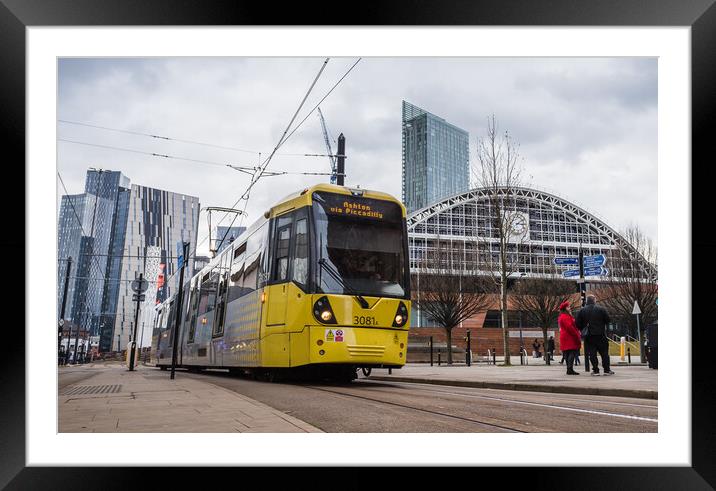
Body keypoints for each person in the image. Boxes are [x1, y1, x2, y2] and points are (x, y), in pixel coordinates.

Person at [576, 295, 614, 376]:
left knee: (592, 354)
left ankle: (596, 370)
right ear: (594, 300)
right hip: (601, 334)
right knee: (604, 353)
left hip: (589, 336)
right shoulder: (601, 309)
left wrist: (584, 328)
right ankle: (606, 370)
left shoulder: (582, 311)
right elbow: (608, 320)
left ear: (587, 301)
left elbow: (577, 324)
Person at [558, 301, 581, 375]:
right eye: (568, 307)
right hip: (569, 336)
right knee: (572, 352)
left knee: (567, 353)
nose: (569, 308)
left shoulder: (563, 316)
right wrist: (576, 334)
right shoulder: (566, 317)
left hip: (565, 336)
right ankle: (569, 369)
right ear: (565, 308)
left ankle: (569, 368)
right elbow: (570, 327)